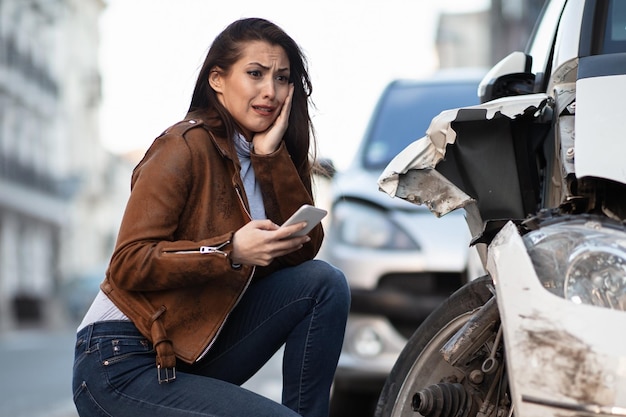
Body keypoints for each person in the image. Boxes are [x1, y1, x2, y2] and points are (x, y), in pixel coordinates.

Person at [72, 17, 350, 417]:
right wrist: (230, 250)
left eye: (282, 78)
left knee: (325, 283)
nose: (270, 91)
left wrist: (270, 160)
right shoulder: (183, 145)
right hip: (120, 359)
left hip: (192, 348)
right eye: (255, 74)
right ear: (217, 80)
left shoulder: (264, 155)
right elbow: (127, 263)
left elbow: (300, 258)